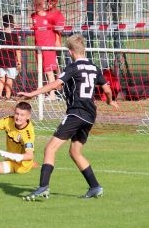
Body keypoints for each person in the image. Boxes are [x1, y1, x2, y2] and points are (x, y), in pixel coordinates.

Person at [19, 34, 118, 200]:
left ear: (71, 52)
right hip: (90, 115)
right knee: (75, 151)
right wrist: (109, 102)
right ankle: (95, 187)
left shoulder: (73, 67)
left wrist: (33, 94)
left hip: (76, 112)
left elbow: (56, 84)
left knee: (50, 148)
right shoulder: (94, 67)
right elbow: (107, 89)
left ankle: (43, 187)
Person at [30, 0, 61, 86]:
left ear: (43, 5)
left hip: (49, 47)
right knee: (41, 70)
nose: (36, 7)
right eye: (35, 5)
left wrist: (58, 41)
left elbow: (57, 30)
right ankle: (44, 92)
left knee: (49, 71)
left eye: (39, 5)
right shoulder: (33, 16)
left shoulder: (50, 16)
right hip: (38, 47)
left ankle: (52, 95)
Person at [0, 14, 23, 99]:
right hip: (11, 61)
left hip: (1, 60)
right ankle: (8, 96)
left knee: (1, 78)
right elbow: (18, 50)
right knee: (9, 79)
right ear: (12, 23)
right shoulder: (14, 36)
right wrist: (19, 62)